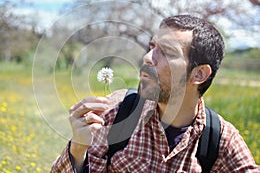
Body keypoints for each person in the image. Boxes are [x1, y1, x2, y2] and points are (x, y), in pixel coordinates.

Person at [50, 15, 259, 172]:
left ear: (199, 74)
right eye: (152, 47)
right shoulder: (116, 112)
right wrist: (78, 149)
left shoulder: (222, 141)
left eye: (166, 52)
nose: (148, 58)